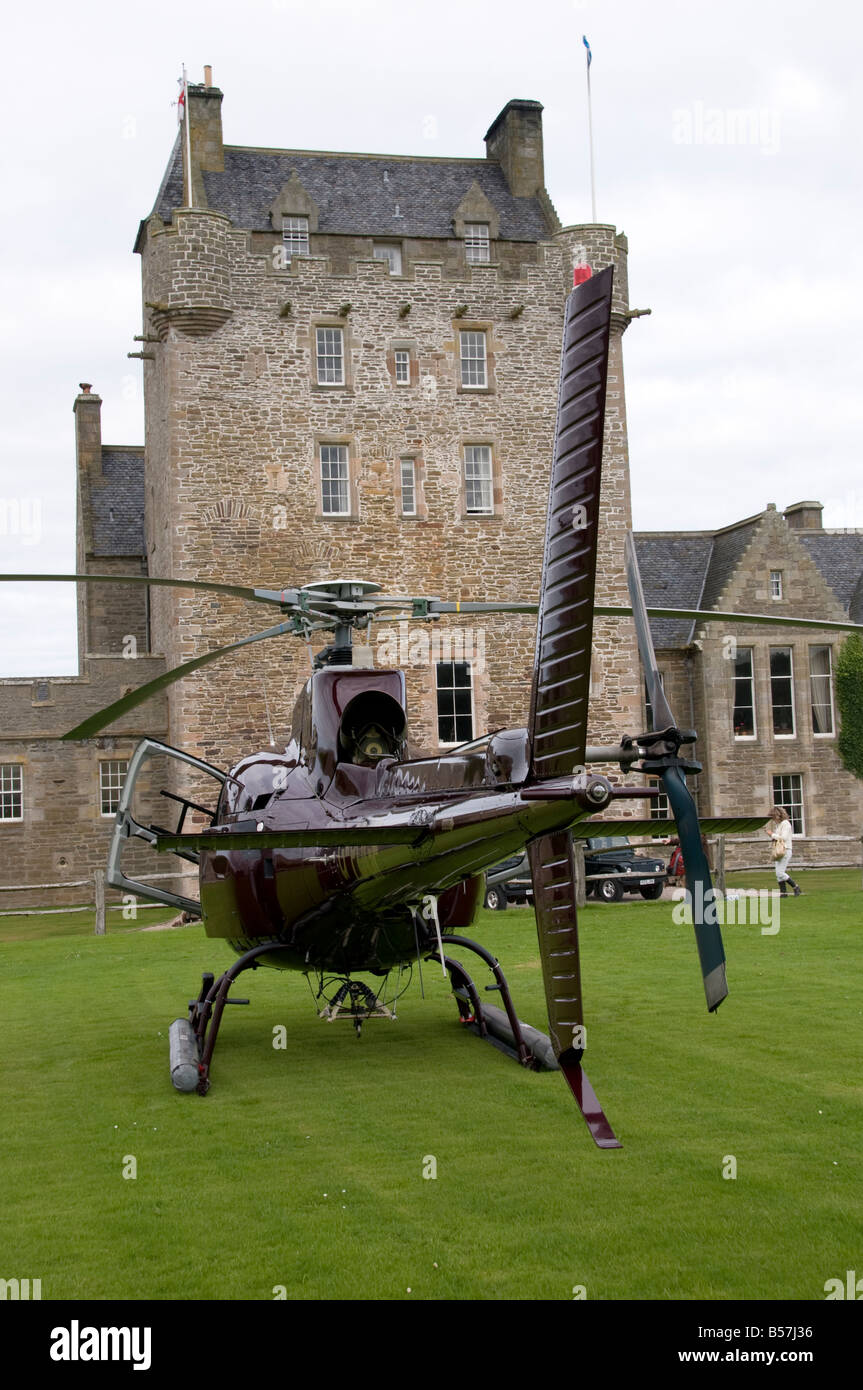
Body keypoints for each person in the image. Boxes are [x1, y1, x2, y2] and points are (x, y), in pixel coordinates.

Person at [766, 806, 801, 896]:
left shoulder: (786, 824)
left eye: (774, 817)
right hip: (779, 850)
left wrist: (772, 834)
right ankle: (783, 893)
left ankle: (795, 886)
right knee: (778, 874)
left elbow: (783, 838)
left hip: (785, 850)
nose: (773, 820)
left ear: (778, 815)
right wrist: (773, 837)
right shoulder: (779, 825)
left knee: (780, 872)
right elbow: (778, 838)